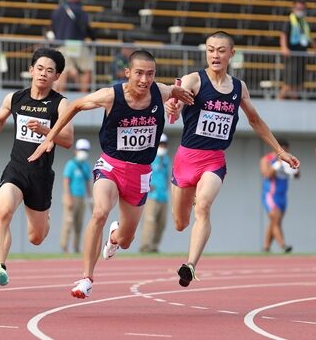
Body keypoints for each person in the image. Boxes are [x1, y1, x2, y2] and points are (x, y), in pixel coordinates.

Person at [29, 49, 194, 299]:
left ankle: (115, 238)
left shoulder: (159, 91)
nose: (144, 80)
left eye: (150, 74)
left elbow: (175, 92)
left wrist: (177, 95)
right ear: (127, 73)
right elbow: (74, 106)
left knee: (127, 239)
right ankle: (86, 278)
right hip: (111, 165)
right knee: (99, 212)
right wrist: (48, 138)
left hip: (140, 173)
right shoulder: (110, 96)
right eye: (139, 73)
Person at [165, 31, 300, 288]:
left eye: (221, 50)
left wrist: (280, 152)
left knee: (203, 207)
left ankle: (190, 265)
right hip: (186, 159)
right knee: (180, 223)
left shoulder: (238, 88)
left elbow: (256, 121)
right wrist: (173, 106)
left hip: (214, 160)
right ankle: (192, 197)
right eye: (211, 49)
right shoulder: (194, 79)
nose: (215, 55)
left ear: (231, 54)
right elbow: (174, 105)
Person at [0, 48, 74, 287]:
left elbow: (68, 139)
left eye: (49, 71)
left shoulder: (60, 104)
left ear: (56, 76)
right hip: (16, 168)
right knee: (4, 211)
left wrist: (47, 132)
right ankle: (0, 266)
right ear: (31, 71)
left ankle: (43, 216)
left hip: (40, 175)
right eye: (39, 69)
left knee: (36, 237)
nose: (43, 74)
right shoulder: (15, 98)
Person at [51, 0, 96, 93]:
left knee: (63, 71)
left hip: (62, 44)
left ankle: (60, 96)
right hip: (77, 44)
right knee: (86, 69)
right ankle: (84, 95)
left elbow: (53, 28)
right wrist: (93, 38)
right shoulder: (79, 10)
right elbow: (85, 26)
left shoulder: (57, 11)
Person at [278, 0, 316, 100]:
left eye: (302, 9)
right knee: (288, 84)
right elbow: (283, 35)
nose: (300, 11)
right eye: (298, 9)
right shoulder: (289, 21)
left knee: (298, 84)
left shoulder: (304, 23)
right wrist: (284, 48)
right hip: (292, 56)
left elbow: (310, 37)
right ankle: (277, 102)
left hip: (302, 56)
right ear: (293, 9)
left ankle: (294, 106)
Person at [260, 138, 299, 253]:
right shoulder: (267, 159)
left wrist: (293, 168)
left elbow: (297, 175)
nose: (284, 153)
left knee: (275, 222)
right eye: (282, 150)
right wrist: (277, 165)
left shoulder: (288, 159)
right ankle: (284, 245)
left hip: (282, 196)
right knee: (275, 219)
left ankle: (266, 247)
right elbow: (266, 175)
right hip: (271, 195)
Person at [60, 138, 92, 254]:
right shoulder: (71, 165)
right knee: (68, 223)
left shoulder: (86, 166)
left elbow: (88, 182)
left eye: (86, 150)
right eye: (82, 149)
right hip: (71, 196)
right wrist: (67, 197)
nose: (84, 152)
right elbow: (66, 181)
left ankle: (76, 247)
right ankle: (64, 247)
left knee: (79, 225)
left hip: (81, 197)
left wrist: (90, 198)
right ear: (76, 150)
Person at [139, 133, 171, 253]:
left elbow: (167, 175)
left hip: (163, 196)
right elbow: (141, 173)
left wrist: (167, 187)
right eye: (161, 144)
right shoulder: (149, 157)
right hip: (152, 196)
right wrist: (147, 186)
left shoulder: (166, 159)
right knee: (149, 221)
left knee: (161, 223)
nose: (163, 146)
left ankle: (154, 246)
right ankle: (145, 246)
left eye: (164, 144)